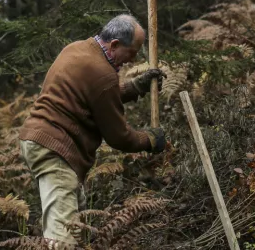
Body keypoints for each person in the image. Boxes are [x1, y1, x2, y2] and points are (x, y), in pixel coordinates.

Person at [18, 14, 167, 246]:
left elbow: (93, 94)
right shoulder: (104, 75)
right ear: (115, 44)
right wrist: (149, 139)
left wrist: (135, 87)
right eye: (132, 52)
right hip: (55, 149)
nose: (133, 59)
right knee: (63, 236)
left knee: (78, 223)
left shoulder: (77, 48)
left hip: (39, 140)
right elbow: (119, 137)